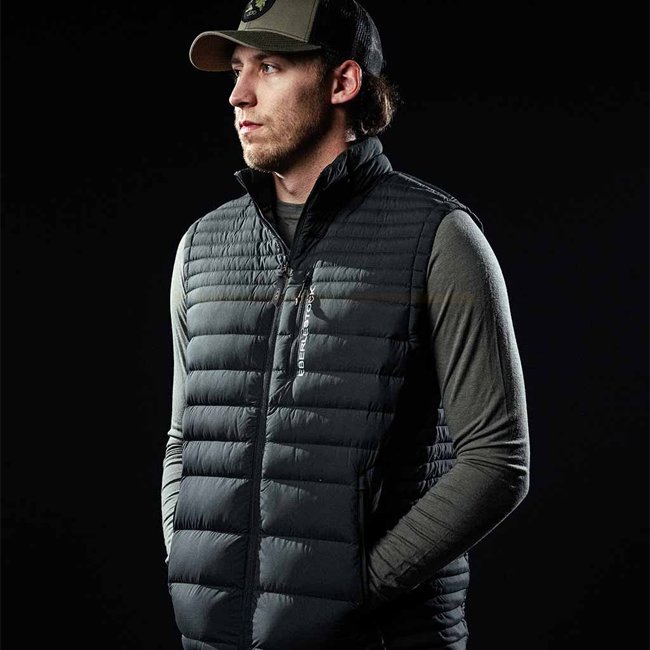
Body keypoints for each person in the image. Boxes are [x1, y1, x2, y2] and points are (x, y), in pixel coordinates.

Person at [160, 1, 531, 648]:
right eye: (238, 69)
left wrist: (353, 591)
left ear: (343, 82)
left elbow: (498, 461)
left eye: (269, 67)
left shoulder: (439, 238)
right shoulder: (202, 247)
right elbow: (183, 438)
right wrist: (189, 563)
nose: (238, 95)